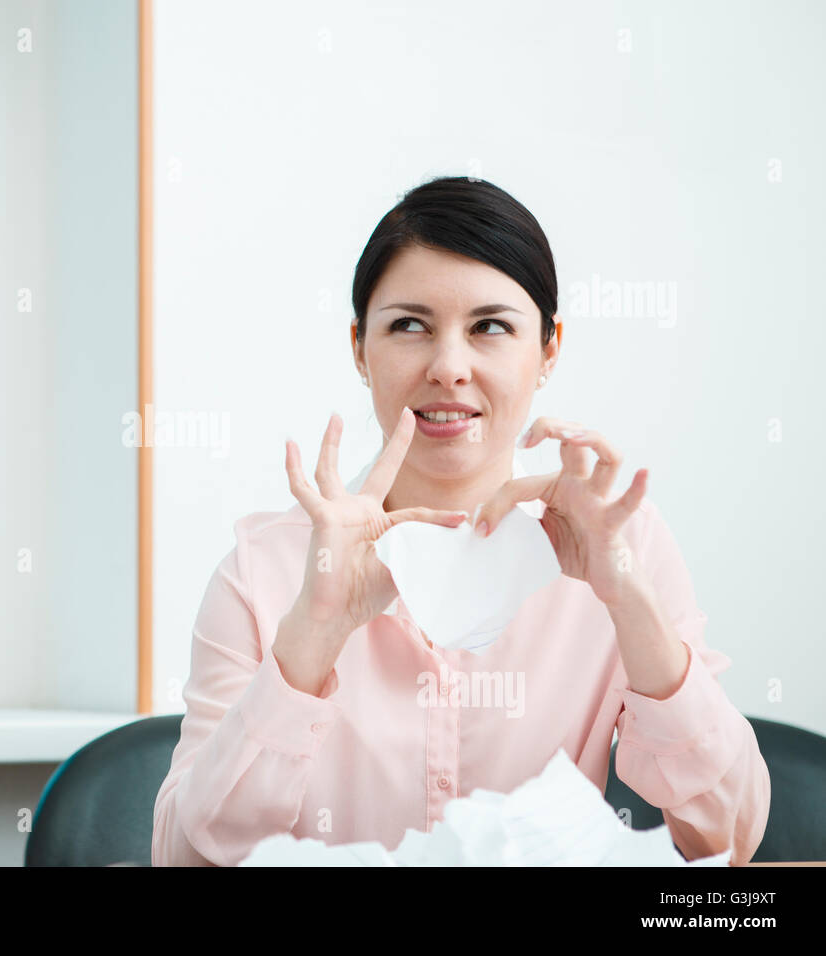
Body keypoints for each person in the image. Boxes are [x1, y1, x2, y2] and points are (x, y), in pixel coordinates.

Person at [151, 176, 770, 867]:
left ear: (549, 348)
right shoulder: (262, 571)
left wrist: (626, 598)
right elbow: (185, 858)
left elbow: (729, 838)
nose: (448, 367)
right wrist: (312, 636)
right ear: (360, 348)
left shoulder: (621, 545)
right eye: (409, 325)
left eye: (491, 327)